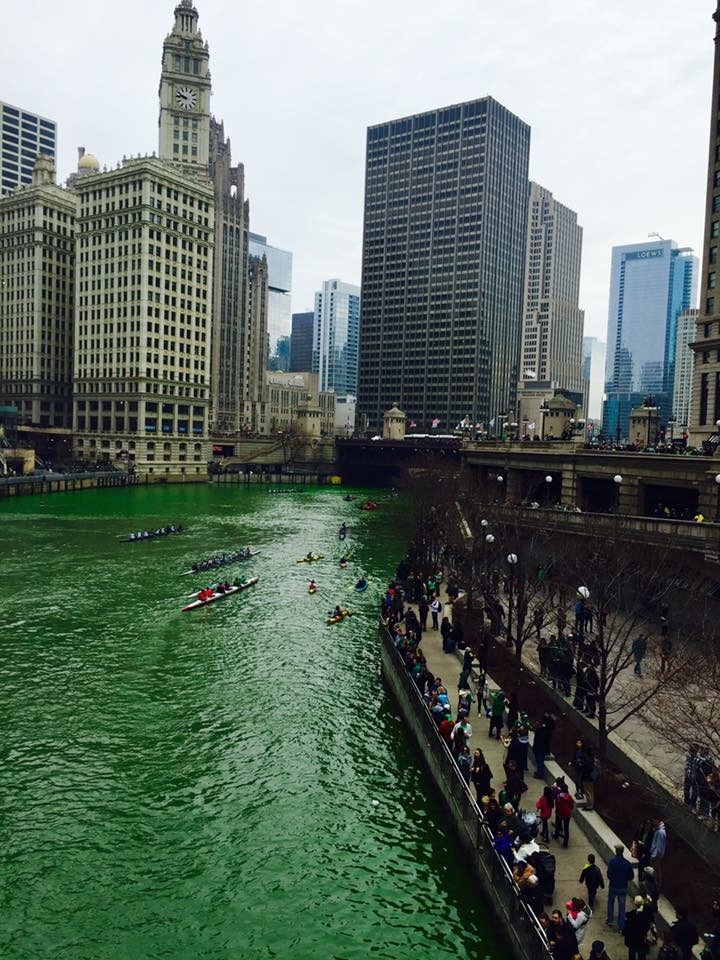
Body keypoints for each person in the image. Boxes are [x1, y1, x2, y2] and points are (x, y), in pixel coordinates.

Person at [606, 843, 634, 931]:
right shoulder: (628, 864)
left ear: (616, 851)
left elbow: (609, 875)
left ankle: (610, 919)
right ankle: (621, 926)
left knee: (611, 902)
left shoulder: (612, 862)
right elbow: (631, 877)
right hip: (623, 887)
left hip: (613, 886)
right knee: (622, 907)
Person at [623, 895, 651, 960]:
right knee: (642, 956)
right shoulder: (647, 914)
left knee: (632, 955)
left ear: (635, 904)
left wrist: (624, 933)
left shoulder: (631, 916)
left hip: (632, 940)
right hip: (642, 940)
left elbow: (627, 928)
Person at [553, 780, 574, 848]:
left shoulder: (559, 796)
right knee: (566, 828)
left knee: (558, 824)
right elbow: (571, 805)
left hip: (560, 813)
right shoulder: (569, 797)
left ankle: (556, 835)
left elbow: (557, 804)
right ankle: (565, 843)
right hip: (567, 814)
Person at [649, 818, 667, 885]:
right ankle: (656, 884)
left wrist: (654, 856)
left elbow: (659, 846)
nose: (653, 822)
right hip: (657, 855)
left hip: (656, 856)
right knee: (656, 870)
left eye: (654, 820)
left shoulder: (660, 832)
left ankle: (656, 884)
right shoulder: (659, 831)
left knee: (656, 870)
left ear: (658, 821)